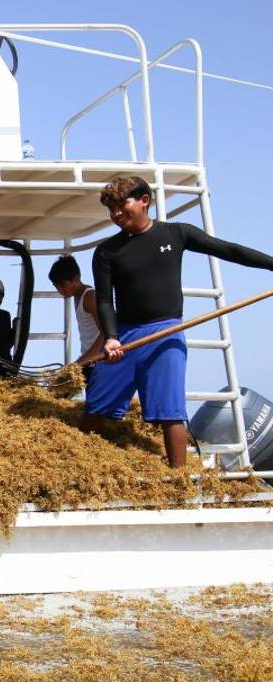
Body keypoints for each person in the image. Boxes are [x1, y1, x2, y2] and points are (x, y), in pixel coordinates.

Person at [86, 175, 273, 466]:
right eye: (111, 209)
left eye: (122, 205)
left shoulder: (177, 234)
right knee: (96, 407)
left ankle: (178, 479)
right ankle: (84, 465)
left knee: (170, 412)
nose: (116, 214)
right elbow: (104, 301)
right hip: (124, 337)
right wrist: (111, 337)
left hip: (167, 332)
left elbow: (229, 250)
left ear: (144, 200)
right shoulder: (106, 252)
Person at [48, 254, 103, 385]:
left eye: (62, 285)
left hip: (101, 363)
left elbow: (107, 334)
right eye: (56, 286)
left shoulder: (90, 297)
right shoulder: (76, 296)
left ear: (76, 278)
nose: (59, 290)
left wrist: (79, 364)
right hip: (89, 362)